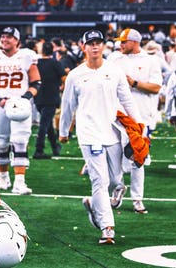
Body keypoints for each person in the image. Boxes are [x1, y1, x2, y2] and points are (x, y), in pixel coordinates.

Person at [59, 30, 143, 244]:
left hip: (112, 132)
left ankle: (93, 204)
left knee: (116, 180)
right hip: (89, 134)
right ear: (83, 46)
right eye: (90, 43)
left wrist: (139, 125)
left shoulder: (114, 71)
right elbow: (68, 105)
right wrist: (63, 131)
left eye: (98, 43)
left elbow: (127, 99)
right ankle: (107, 228)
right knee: (100, 181)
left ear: (104, 46)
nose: (94, 46)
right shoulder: (75, 75)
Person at [108, 28, 163, 214]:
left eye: (124, 41)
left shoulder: (150, 60)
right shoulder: (114, 59)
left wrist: (133, 83)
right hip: (116, 117)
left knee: (137, 158)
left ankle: (137, 198)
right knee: (113, 157)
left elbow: (156, 87)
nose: (120, 45)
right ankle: (118, 188)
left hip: (140, 117)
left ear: (134, 42)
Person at [0, 26, 41, 194]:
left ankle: (20, 182)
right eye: (3, 36)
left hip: (20, 104)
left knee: (20, 141)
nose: (4, 39)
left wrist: (25, 99)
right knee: (1, 142)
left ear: (17, 40)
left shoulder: (27, 56)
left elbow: (36, 82)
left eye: (9, 37)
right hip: (0, 105)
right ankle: (2, 177)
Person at [33, 41, 66, 159]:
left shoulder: (36, 63)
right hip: (51, 97)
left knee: (47, 124)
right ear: (52, 51)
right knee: (44, 124)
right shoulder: (55, 63)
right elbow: (64, 78)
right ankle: (39, 149)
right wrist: (62, 87)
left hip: (39, 98)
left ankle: (55, 146)